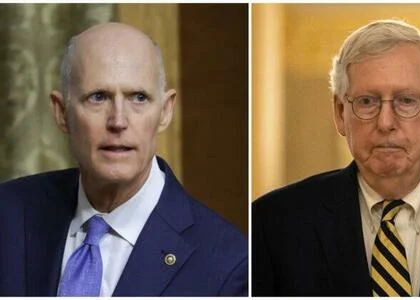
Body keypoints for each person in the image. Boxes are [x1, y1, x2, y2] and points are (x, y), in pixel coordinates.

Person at [252, 19, 420, 296]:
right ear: (340, 113)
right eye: (367, 101)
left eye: (406, 100)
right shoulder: (274, 223)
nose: (385, 122)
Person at [0, 22, 247, 296]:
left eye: (138, 98)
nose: (118, 121)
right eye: (98, 97)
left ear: (165, 111)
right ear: (61, 113)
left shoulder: (227, 264)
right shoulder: (9, 213)